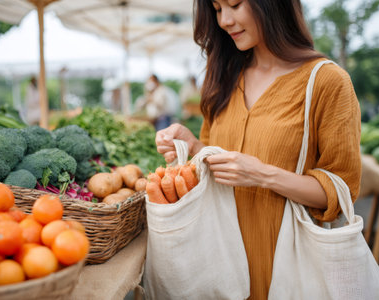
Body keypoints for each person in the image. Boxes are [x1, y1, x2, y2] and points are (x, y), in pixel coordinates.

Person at [155, 0, 361, 299]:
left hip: (285, 266)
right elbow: (218, 163)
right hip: (217, 262)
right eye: (216, 8)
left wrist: (264, 175)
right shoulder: (222, 77)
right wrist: (195, 145)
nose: (224, 20)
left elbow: (341, 193)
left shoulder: (326, 82)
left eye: (235, 4)